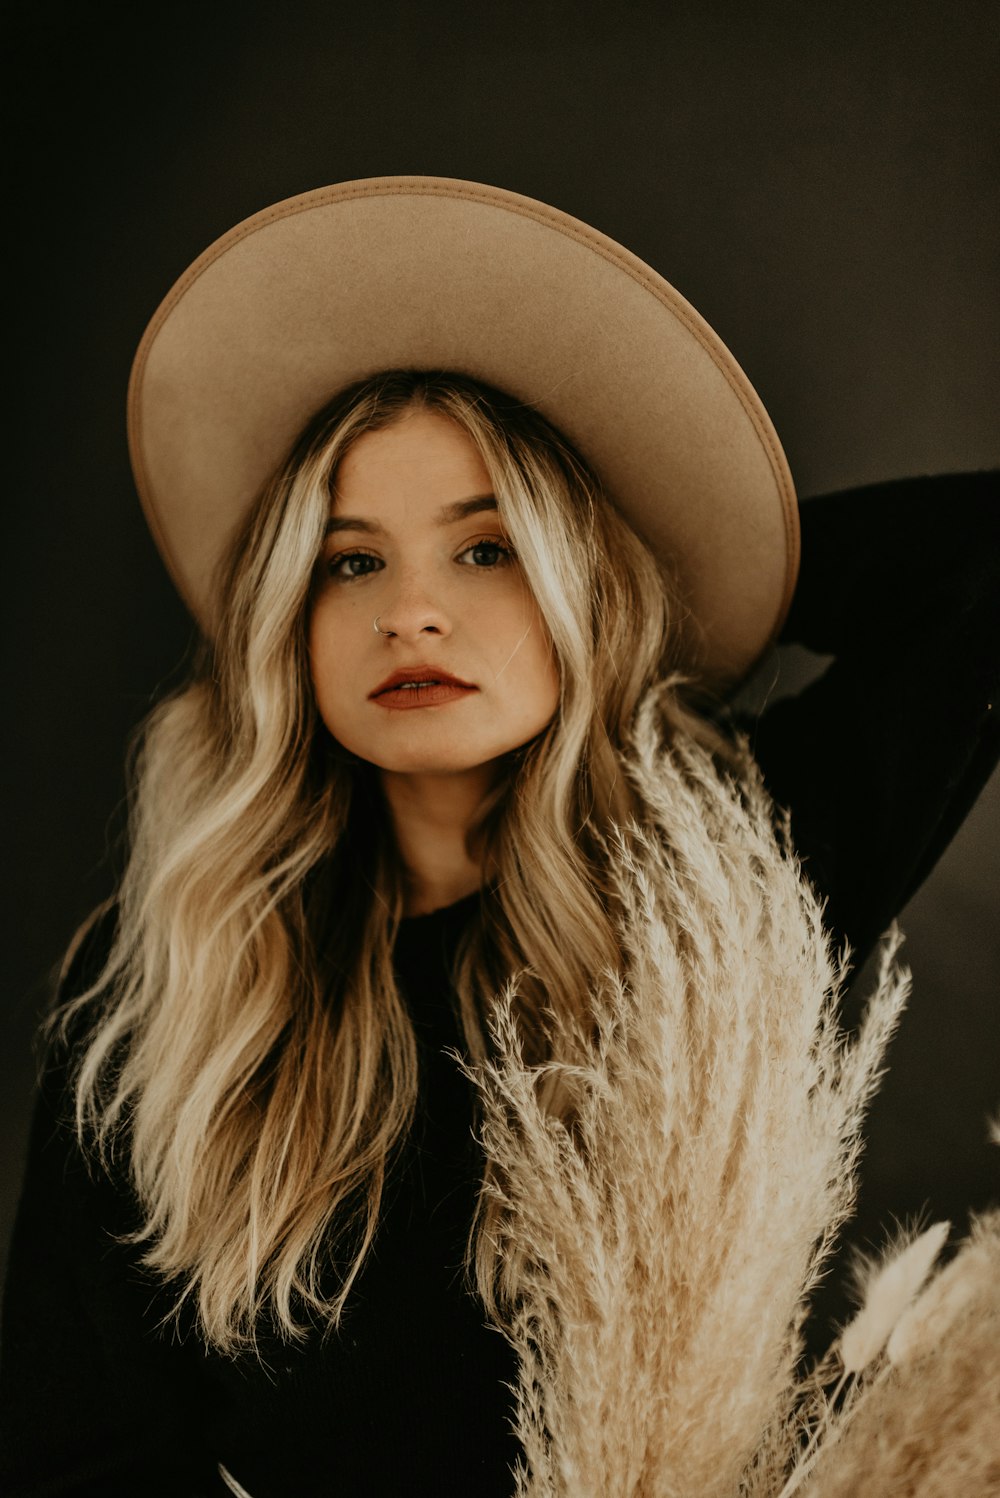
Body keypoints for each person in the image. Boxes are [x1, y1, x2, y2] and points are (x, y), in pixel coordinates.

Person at [0, 179, 997, 1497]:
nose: (412, 613)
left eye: (487, 550)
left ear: (581, 576)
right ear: (288, 623)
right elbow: (72, 1455)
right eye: (351, 562)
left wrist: (681, 565)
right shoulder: (175, 985)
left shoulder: (727, 895)